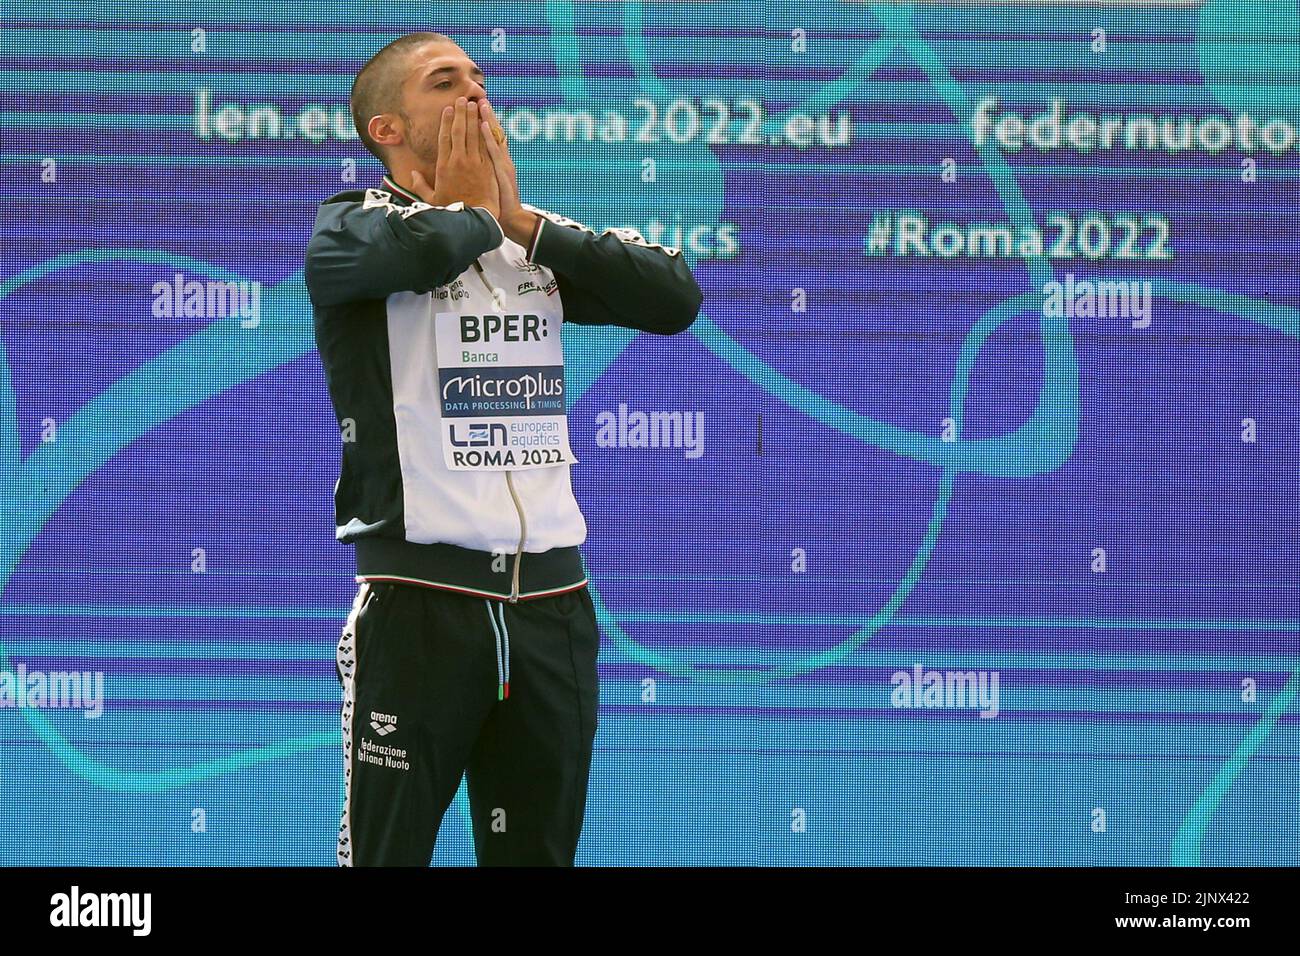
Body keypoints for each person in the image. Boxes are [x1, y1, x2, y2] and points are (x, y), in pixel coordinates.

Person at [304, 32, 703, 866]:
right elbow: (424, 249)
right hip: (418, 605)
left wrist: (518, 221)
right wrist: (476, 213)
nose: (477, 95)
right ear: (386, 127)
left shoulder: (529, 242)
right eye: (445, 82)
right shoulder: (351, 227)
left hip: (555, 609)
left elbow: (674, 299)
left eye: (481, 79)